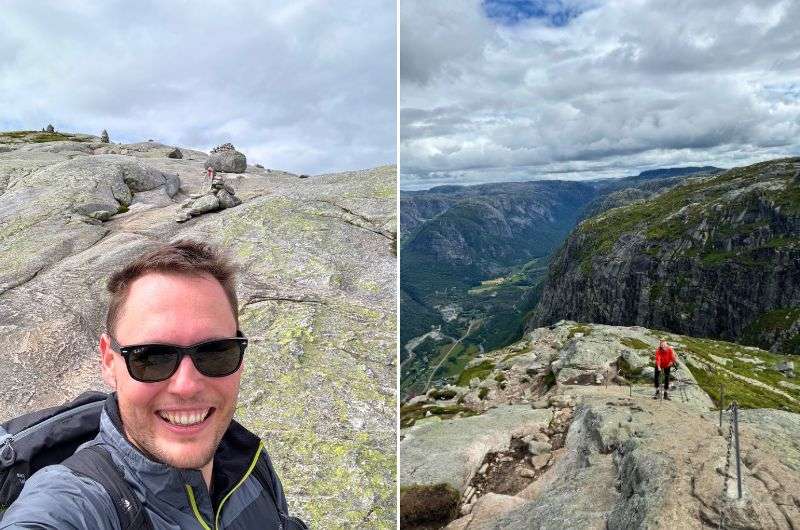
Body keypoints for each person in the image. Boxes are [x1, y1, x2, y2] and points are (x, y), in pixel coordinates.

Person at [0, 240, 306, 529]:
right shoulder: (75, 500)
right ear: (109, 362)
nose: (186, 386)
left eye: (215, 353)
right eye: (151, 357)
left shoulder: (249, 461)